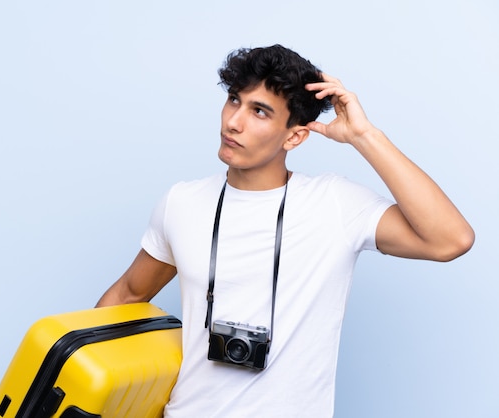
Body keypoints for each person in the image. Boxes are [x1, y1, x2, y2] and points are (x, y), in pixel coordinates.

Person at [95, 45, 474, 417]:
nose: (233, 121)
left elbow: (450, 240)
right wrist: (74, 376)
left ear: (294, 136)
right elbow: (129, 294)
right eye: (233, 100)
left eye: (259, 111)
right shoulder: (181, 201)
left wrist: (364, 135)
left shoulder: (334, 203)